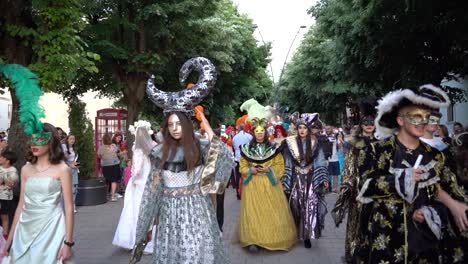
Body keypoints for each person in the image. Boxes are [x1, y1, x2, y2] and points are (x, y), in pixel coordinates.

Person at [132, 57, 233, 263]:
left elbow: (224, 155)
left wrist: (206, 125)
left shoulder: (200, 147)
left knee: (196, 256)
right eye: (171, 124)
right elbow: (154, 191)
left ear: (187, 124)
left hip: (197, 214)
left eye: (179, 123)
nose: (175, 128)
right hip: (169, 219)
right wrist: (148, 225)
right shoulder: (160, 152)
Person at [356, 85, 454, 263]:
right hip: (386, 240)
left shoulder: (436, 156)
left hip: (424, 244)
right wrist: (402, 179)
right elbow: (363, 187)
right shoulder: (375, 151)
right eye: (416, 116)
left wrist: (430, 212)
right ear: (400, 120)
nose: (423, 122)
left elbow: (450, 193)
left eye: (426, 117)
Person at [2, 123, 74, 263]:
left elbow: (69, 207)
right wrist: (9, 241)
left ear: (51, 142)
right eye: (32, 139)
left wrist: (68, 243)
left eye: (40, 140)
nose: (34, 144)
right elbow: (21, 205)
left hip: (51, 229)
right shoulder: (26, 169)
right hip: (25, 229)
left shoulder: (62, 169)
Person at [238, 99, 297, 252]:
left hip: (270, 185)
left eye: (261, 131)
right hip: (253, 185)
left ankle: (272, 238)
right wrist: (250, 171)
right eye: (256, 132)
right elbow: (242, 166)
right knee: (254, 212)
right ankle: (254, 240)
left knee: (270, 212)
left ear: (265, 132)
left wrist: (269, 171)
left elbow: (279, 165)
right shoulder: (246, 149)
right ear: (254, 132)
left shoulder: (273, 148)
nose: (259, 134)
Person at [331, 104, 377, 263]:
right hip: (358, 189)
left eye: (372, 123)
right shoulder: (354, 144)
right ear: (362, 126)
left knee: (375, 220)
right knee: (356, 221)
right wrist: (347, 183)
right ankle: (353, 252)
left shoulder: (381, 143)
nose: (369, 126)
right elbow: (349, 165)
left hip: (377, 188)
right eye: (366, 123)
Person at [282, 112, 329, 249]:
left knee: (310, 206)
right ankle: (296, 232)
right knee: (295, 205)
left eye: (304, 128)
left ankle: (307, 235)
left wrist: (323, 178)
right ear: (297, 130)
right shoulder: (290, 143)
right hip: (295, 179)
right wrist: (286, 178)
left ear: (308, 130)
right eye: (300, 128)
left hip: (310, 179)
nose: (302, 130)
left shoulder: (315, 143)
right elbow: (288, 162)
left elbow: (320, 161)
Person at [113, 120, 155, 254]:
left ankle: (136, 240)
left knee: (136, 210)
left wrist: (133, 179)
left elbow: (137, 170)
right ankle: (149, 240)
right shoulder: (152, 147)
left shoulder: (137, 150)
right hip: (149, 182)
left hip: (139, 184)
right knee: (149, 211)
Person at [0, 151, 19, 240]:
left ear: (7, 161)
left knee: (4, 216)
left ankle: (5, 234)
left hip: (5, 197)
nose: (0, 158)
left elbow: (11, 184)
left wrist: (4, 181)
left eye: (2, 157)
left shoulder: (13, 170)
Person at [232, 123, 252, 199]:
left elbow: (234, 147)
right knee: (247, 175)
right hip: (247, 158)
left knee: (238, 176)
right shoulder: (249, 136)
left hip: (237, 158)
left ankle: (238, 192)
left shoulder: (235, 137)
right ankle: (247, 192)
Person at [98, 133, 121, 201]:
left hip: (105, 166)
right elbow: (117, 152)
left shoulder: (101, 147)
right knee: (114, 180)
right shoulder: (114, 146)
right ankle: (113, 196)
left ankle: (105, 195)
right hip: (115, 164)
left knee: (107, 180)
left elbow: (99, 156)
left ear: (103, 140)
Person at [62, 134, 79, 213]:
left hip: (74, 169)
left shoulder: (74, 148)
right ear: (67, 140)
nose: (72, 140)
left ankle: (73, 204)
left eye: (74, 139)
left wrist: (75, 164)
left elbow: (74, 159)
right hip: (67, 169)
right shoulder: (64, 147)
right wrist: (70, 164)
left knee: (74, 187)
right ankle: (67, 205)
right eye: (71, 139)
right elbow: (63, 160)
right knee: (67, 187)